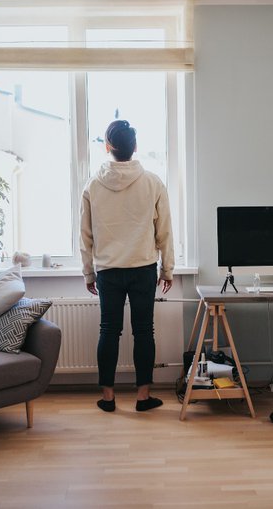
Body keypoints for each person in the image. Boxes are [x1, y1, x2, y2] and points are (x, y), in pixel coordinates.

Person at [80, 120, 175, 413]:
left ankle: (108, 398)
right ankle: (143, 397)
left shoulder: (93, 185)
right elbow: (165, 231)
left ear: (108, 147)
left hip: (108, 270)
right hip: (143, 266)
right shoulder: (153, 182)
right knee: (144, 331)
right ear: (134, 147)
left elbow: (85, 234)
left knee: (109, 330)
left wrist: (88, 272)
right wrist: (167, 269)